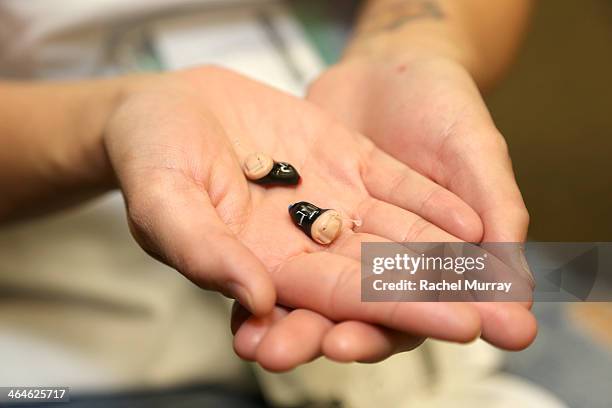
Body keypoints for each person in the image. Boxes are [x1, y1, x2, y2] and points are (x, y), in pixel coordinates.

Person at [0, 0, 538, 405]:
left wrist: (407, 49)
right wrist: (105, 123)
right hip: (80, 355)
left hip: (409, 252)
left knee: (525, 290)